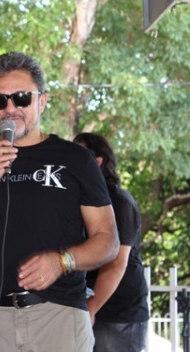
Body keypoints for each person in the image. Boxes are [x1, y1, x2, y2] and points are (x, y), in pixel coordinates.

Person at [0, 51, 120, 351]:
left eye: (21, 98)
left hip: (60, 316)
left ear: (42, 101)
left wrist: (62, 261)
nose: (10, 109)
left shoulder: (76, 159)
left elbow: (108, 240)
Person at [73, 132, 149, 351]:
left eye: (79, 155)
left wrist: (92, 308)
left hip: (119, 315)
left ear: (97, 162)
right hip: (86, 308)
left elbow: (117, 264)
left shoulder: (120, 201)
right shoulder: (78, 201)